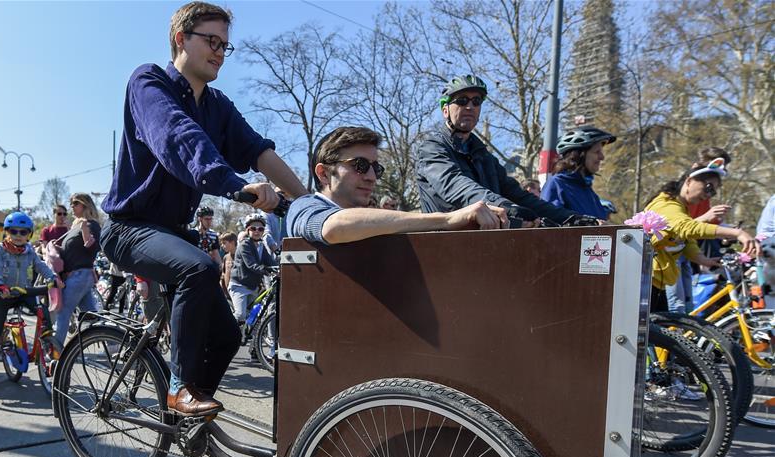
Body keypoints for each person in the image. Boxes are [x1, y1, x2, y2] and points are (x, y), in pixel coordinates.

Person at [99, 1, 307, 418]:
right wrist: (236, 186)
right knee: (198, 267)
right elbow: (178, 139)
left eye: (225, 46)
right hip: (129, 227)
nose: (219, 52)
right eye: (211, 41)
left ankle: (189, 420)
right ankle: (179, 391)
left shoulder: (217, 105)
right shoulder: (149, 82)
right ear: (181, 39)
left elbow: (257, 150)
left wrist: (306, 202)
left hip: (173, 233)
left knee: (228, 335)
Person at [287, 126, 508, 245]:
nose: (372, 177)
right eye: (360, 165)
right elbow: (333, 227)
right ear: (324, 173)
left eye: (376, 168)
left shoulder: (374, 221)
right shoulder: (305, 207)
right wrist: (449, 219)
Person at [416, 75, 588, 225]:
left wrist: (570, 218)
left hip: (484, 243)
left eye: (476, 101)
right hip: (441, 246)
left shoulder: (484, 156)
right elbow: (455, 185)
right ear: (445, 110)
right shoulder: (432, 148)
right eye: (462, 100)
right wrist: (503, 206)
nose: (470, 106)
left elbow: (520, 196)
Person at [646, 158, 759, 312]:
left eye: (713, 191)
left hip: (657, 281)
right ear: (689, 181)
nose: (709, 195)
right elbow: (686, 228)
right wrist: (737, 233)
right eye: (708, 187)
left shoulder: (681, 206)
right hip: (645, 282)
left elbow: (684, 239)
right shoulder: (666, 204)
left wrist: (702, 259)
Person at [0, 213, 63, 390]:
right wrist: (0, 286)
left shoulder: (29, 251)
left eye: (23, 232)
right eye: (14, 231)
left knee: (42, 309)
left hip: (24, 291)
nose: (18, 235)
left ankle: (47, 340)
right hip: (4, 294)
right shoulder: (0, 250)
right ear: (7, 232)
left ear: (29, 235)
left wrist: (53, 277)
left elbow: (41, 266)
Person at [54, 193, 102, 345]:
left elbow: (93, 247)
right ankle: (114, 344)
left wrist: (85, 230)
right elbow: (73, 251)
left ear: (85, 205)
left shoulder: (91, 224)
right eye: (71, 204)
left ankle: (57, 352)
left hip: (80, 275)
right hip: (76, 276)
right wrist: (58, 248)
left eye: (75, 203)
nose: (72, 207)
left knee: (63, 313)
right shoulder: (75, 226)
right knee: (92, 317)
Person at [540, 127, 616, 219]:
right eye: (597, 152)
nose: (602, 157)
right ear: (579, 155)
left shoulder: (588, 190)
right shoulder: (557, 185)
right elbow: (548, 226)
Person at [229, 214, 277, 324]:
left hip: (253, 287)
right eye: (253, 228)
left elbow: (270, 262)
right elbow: (251, 265)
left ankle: (245, 338)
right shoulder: (244, 245)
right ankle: (226, 334)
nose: (257, 231)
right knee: (240, 315)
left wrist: (279, 269)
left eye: (260, 229)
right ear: (247, 230)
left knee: (254, 316)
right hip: (239, 286)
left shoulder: (261, 246)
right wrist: (268, 271)